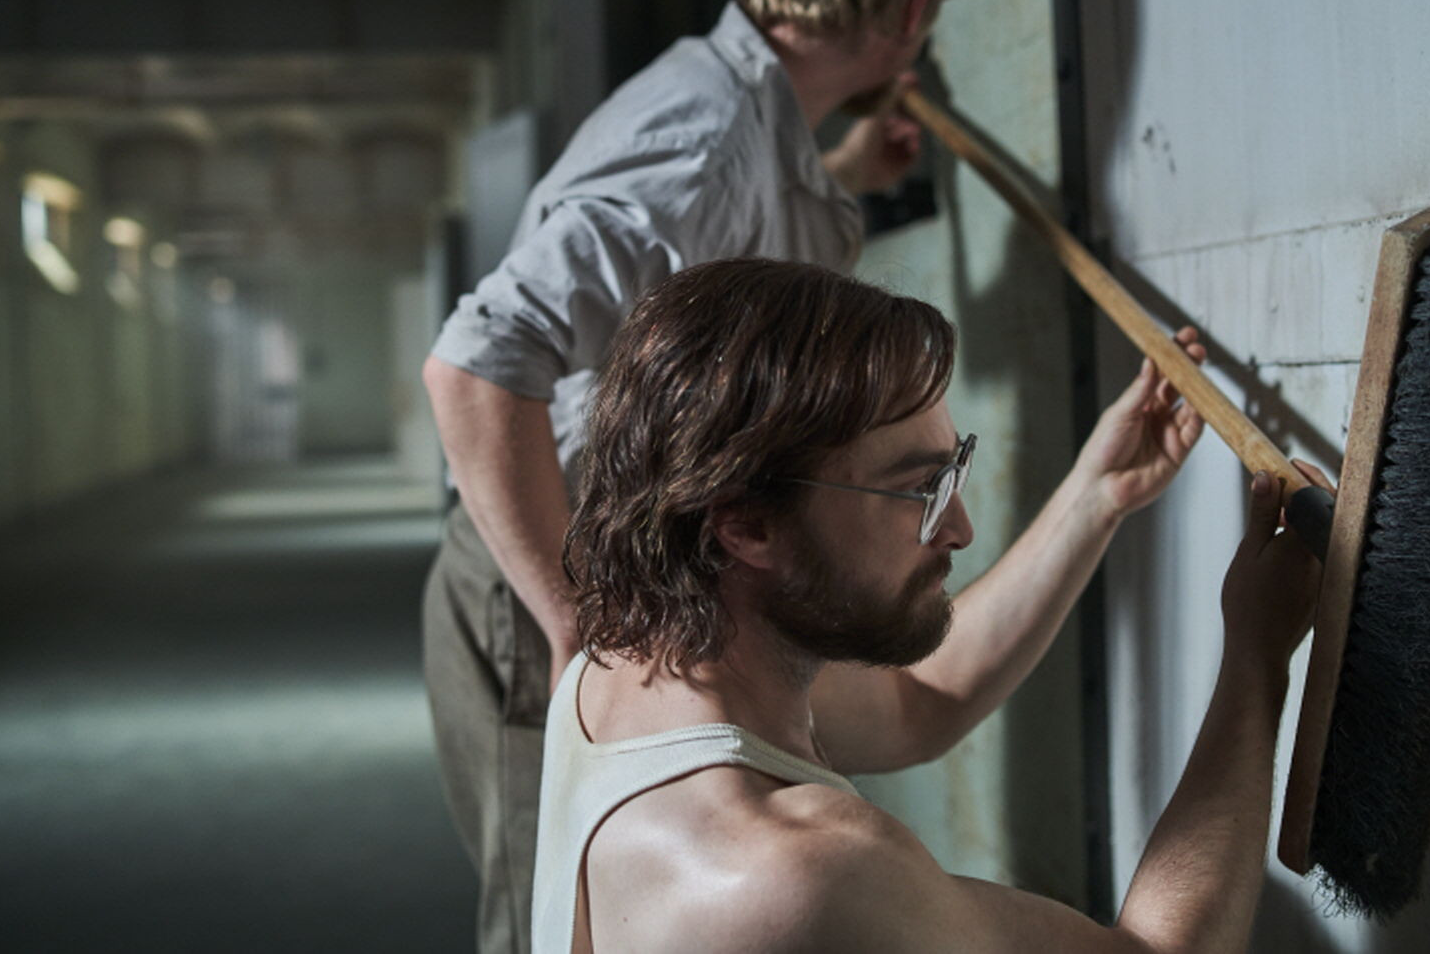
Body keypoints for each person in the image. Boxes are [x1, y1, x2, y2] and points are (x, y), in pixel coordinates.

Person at [420, 0, 985, 950]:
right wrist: (573, 624)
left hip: (621, 565)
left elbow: (700, 271)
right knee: (554, 913)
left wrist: (842, 174)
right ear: (915, 9)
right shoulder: (705, 138)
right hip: (540, 559)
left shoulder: (748, 128)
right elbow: (473, 365)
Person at [534, 258, 1323, 953]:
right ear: (747, 524)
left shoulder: (622, 670)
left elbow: (919, 702)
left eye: (953, 470)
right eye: (919, 489)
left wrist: (1097, 496)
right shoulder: (796, 873)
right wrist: (1256, 660)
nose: (960, 527)